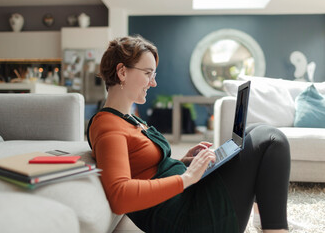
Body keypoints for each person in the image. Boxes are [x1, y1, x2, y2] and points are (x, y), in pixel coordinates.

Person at [87, 35, 291, 233]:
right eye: (148, 73)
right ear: (122, 72)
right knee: (272, 139)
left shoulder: (125, 118)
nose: (153, 83)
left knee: (251, 132)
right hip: (190, 218)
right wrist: (187, 177)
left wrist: (184, 162)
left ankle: (266, 216)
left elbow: (145, 168)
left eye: (154, 75)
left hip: (188, 198)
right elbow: (120, 196)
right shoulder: (109, 127)